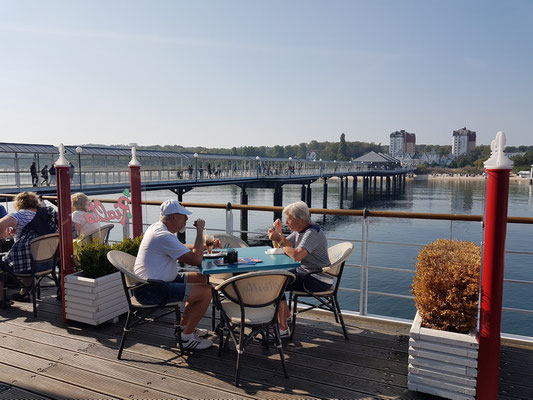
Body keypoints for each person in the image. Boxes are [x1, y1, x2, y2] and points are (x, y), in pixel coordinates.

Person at [133, 199, 218, 350]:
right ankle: (186, 339)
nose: (186, 219)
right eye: (184, 216)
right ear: (173, 217)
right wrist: (199, 232)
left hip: (157, 280)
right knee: (207, 292)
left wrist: (203, 246)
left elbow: (181, 247)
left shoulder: (158, 228)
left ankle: (183, 327)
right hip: (151, 289)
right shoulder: (163, 235)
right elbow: (196, 259)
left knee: (203, 279)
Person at [267, 201, 331, 338]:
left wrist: (280, 239)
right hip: (307, 272)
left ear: (299, 220)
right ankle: (286, 316)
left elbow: (296, 255)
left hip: (318, 278)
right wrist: (278, 235)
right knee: (277, 277)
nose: (286, 223)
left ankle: (282, 328)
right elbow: (283, 245)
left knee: (277, 284)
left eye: (288, 219)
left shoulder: (312, 233)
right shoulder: (300, 232)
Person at [0, 192, 58, 307]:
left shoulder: (20, 214)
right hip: (49, 264)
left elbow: (1, 225)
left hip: (29, 266)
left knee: (4, 262)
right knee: (29, 254)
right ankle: (24, 293)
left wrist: (3, 235)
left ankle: (1, 299)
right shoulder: (46, 213)